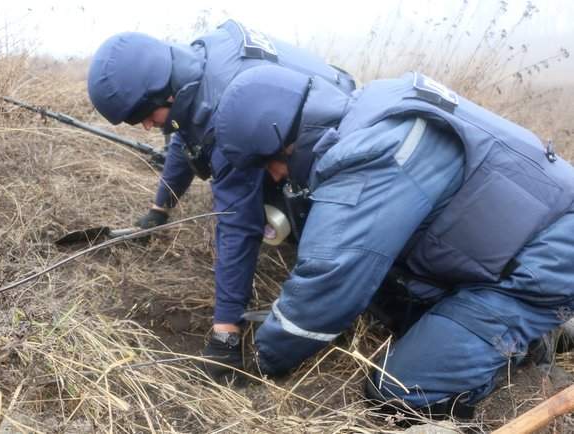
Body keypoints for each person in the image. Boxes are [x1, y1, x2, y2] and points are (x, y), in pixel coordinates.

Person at [213, 64, 574, 416]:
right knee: (392, 303)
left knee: (399, 391)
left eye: (267, 166)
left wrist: (261, 360)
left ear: (282, 141)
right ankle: (541, 330)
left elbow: (327, 287)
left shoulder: (370, 156)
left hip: (547, 260)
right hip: (522, 243)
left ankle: (526, 345)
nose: (274, 178)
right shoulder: (369, 108)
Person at [86, 21, 356, 381]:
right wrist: (159, 208)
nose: (147, 127)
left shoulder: (227, 114)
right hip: (302, 109)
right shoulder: (194, 65)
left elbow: (237, 223)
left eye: (143, 115)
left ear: (164, 93)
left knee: (288, 213)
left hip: (336, 138)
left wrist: (225, 331)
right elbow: (184, 136)